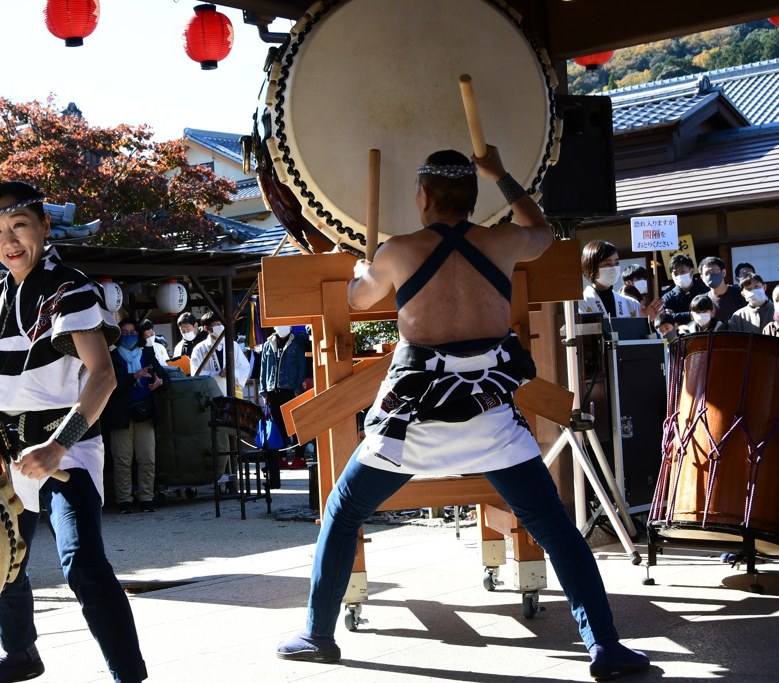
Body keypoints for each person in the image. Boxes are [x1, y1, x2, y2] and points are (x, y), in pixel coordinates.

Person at [275, 147, 650, 680]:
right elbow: (541, 231)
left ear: (424, 198)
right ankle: (606, 646)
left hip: (411, 421)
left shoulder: (397, 250)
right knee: (555, 528)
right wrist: (501, 173)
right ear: (474, 198)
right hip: (490, 412)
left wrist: (364, 268)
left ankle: (317, 633)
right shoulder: (501, 242)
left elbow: (359, 301)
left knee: (343, 511)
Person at [0, 181, 147, 683]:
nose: (8, 240)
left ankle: (129, 676)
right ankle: (21, 653)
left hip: (64, 452)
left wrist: (57, 447)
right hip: (4, 456)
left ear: (45, 226)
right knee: (2, 562)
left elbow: (103, 375)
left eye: (19, 225)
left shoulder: (69, 289)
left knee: (83, 564)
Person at [104, 318, 169, 514]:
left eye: (133, 332)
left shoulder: (148, 354)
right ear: (118, 335)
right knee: (122, 460)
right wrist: (134, 376)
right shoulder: (112, 357)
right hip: (121, 415)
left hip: (145, 413)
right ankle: (124, 500)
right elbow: (110, 384)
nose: (129, 336)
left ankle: (146, 498)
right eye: (124, 332)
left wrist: (159, 382)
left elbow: (164, 378)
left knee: (147, 458)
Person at [259, 325, 311, 479]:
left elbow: (302, 366)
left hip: (291, 389)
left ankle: (299, 457)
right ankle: (281, 457)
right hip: (273, 389)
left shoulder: (297, 342)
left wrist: (298, 388)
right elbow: (264, 368)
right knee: (279, 426)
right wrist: (264, 391)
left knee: (295, 425)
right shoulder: (269, 343)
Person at [578, 240, 663, 321]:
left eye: (616, 263)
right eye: (608, 264)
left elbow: (643, 334)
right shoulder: (580, 303)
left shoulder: (632, 304)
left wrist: (646, 321)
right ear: (591, 268)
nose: (614, 268)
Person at [189, 311, 251, 397]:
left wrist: (231, 373)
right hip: (210, 393)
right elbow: (196, 373)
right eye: (216, 324)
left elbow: (244, 368)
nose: (220, 326)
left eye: (221, 323)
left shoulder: (233, 345)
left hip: (232, 392)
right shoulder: (199, 349)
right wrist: (217, 374)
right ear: (207, 328)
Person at [661, 253, 709, 324]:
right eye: (675, 273)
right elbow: (663, 318)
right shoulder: (668, 297)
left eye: (682, 272)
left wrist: (675, 316)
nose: (679, 276)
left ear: (692, 272)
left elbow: (709, 313)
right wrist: (691, 315)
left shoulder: (705, 291)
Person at [699, 256, 744, 324]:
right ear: (702, 278)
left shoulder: (739, 293)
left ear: (723, 273)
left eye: (714, 271)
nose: (711, 276)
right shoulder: (704, 300)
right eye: (707, 273)